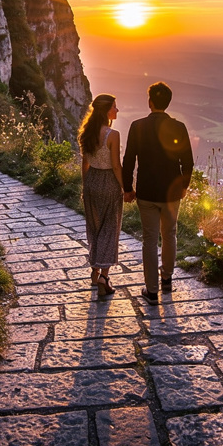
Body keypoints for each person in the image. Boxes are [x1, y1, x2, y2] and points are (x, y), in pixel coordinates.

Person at [122, 82, 194, 304]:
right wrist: (184, 186)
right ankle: (167, 280)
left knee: (149, 239)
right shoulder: (179, 127)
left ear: (150, 101)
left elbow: (128, 161)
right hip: (171, 193)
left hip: (147, 192)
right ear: (168, 102)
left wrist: (128, 189)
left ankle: (151, 291)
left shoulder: (137, 126)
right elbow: (188, 162)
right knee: (169, 235)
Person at [78, 94, 124, 295]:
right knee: (110, 229)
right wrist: (126, 188)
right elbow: (115, 165)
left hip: (91, 182)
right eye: (115, 107)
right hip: (108, 183)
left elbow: (85, 163)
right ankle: (105, 277)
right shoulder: (112, 135)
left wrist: (85, 185)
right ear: (107, 111)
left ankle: (94, 271)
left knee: (95, 227)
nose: (117, 110)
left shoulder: (87, 133)